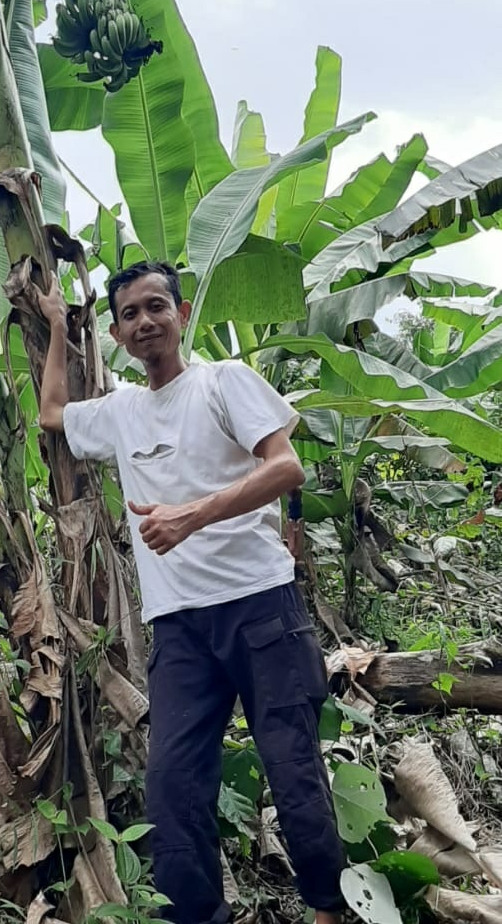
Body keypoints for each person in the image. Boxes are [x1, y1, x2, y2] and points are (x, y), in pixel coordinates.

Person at [37, 259, 344, 924]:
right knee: (172, 786)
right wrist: (59, 326)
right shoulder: (120, 411)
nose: (144, 321)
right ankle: (197, 915)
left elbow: (286, 466)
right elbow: (52, 412)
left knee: (291, 772)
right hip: (178, 627)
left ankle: (325, 908)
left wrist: (192, 514)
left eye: (155, 307)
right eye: (128, 314)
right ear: (115, 334)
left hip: (260, 608)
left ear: (180, 316)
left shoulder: (222, 382)